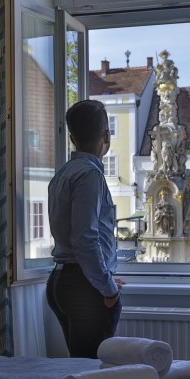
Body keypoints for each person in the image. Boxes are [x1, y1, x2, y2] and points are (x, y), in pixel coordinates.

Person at [46, 99, 125, 359]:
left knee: (79, 366)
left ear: (72, 138)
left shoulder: (63, 174)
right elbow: (85, 239)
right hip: (83, 287)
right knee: (91, 370)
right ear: (106, 136)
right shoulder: (89, 175)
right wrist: (108, 288)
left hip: (61, 281)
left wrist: (103, 278)